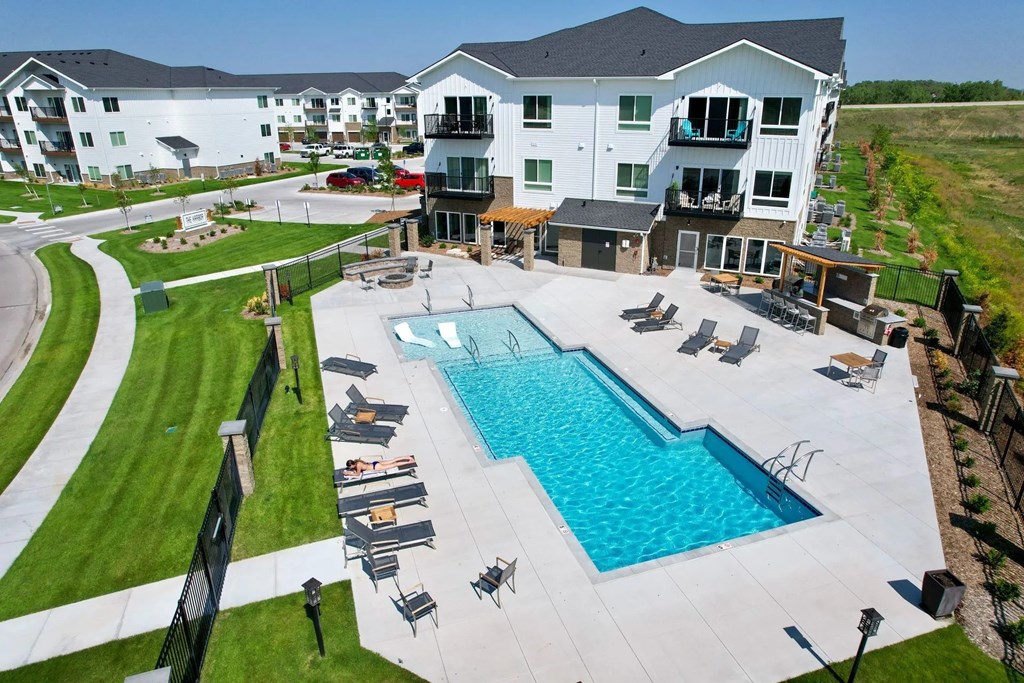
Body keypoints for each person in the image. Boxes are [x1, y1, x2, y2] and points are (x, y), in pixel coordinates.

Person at [343, 455, 417, 477]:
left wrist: (348, 473)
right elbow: (359, 469)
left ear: (352, 465)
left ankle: (410, 462)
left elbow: (357, 474)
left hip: (376, 467)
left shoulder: (358, 465)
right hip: (375, 463)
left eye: (350, 467)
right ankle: (407, 457)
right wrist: (354, 470)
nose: (350, 468)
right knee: (393, 460)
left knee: (394, 464)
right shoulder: (357, 462)